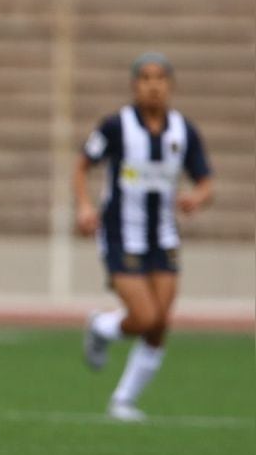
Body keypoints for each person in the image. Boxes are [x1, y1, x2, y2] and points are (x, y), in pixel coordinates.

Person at [75, 52, 213, 422]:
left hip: (163, 236)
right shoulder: (116, 127)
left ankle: (122, 401)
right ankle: (101, 327)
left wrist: (197, 198)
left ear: (171, 85)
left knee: (159, 324)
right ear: (134, 85)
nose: (153, 85)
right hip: (122, 233)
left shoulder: (183, 131)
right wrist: (85, 206)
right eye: (146, 78)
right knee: (143, 316)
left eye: (160, 78)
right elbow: (83, 164)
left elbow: (205, 181)